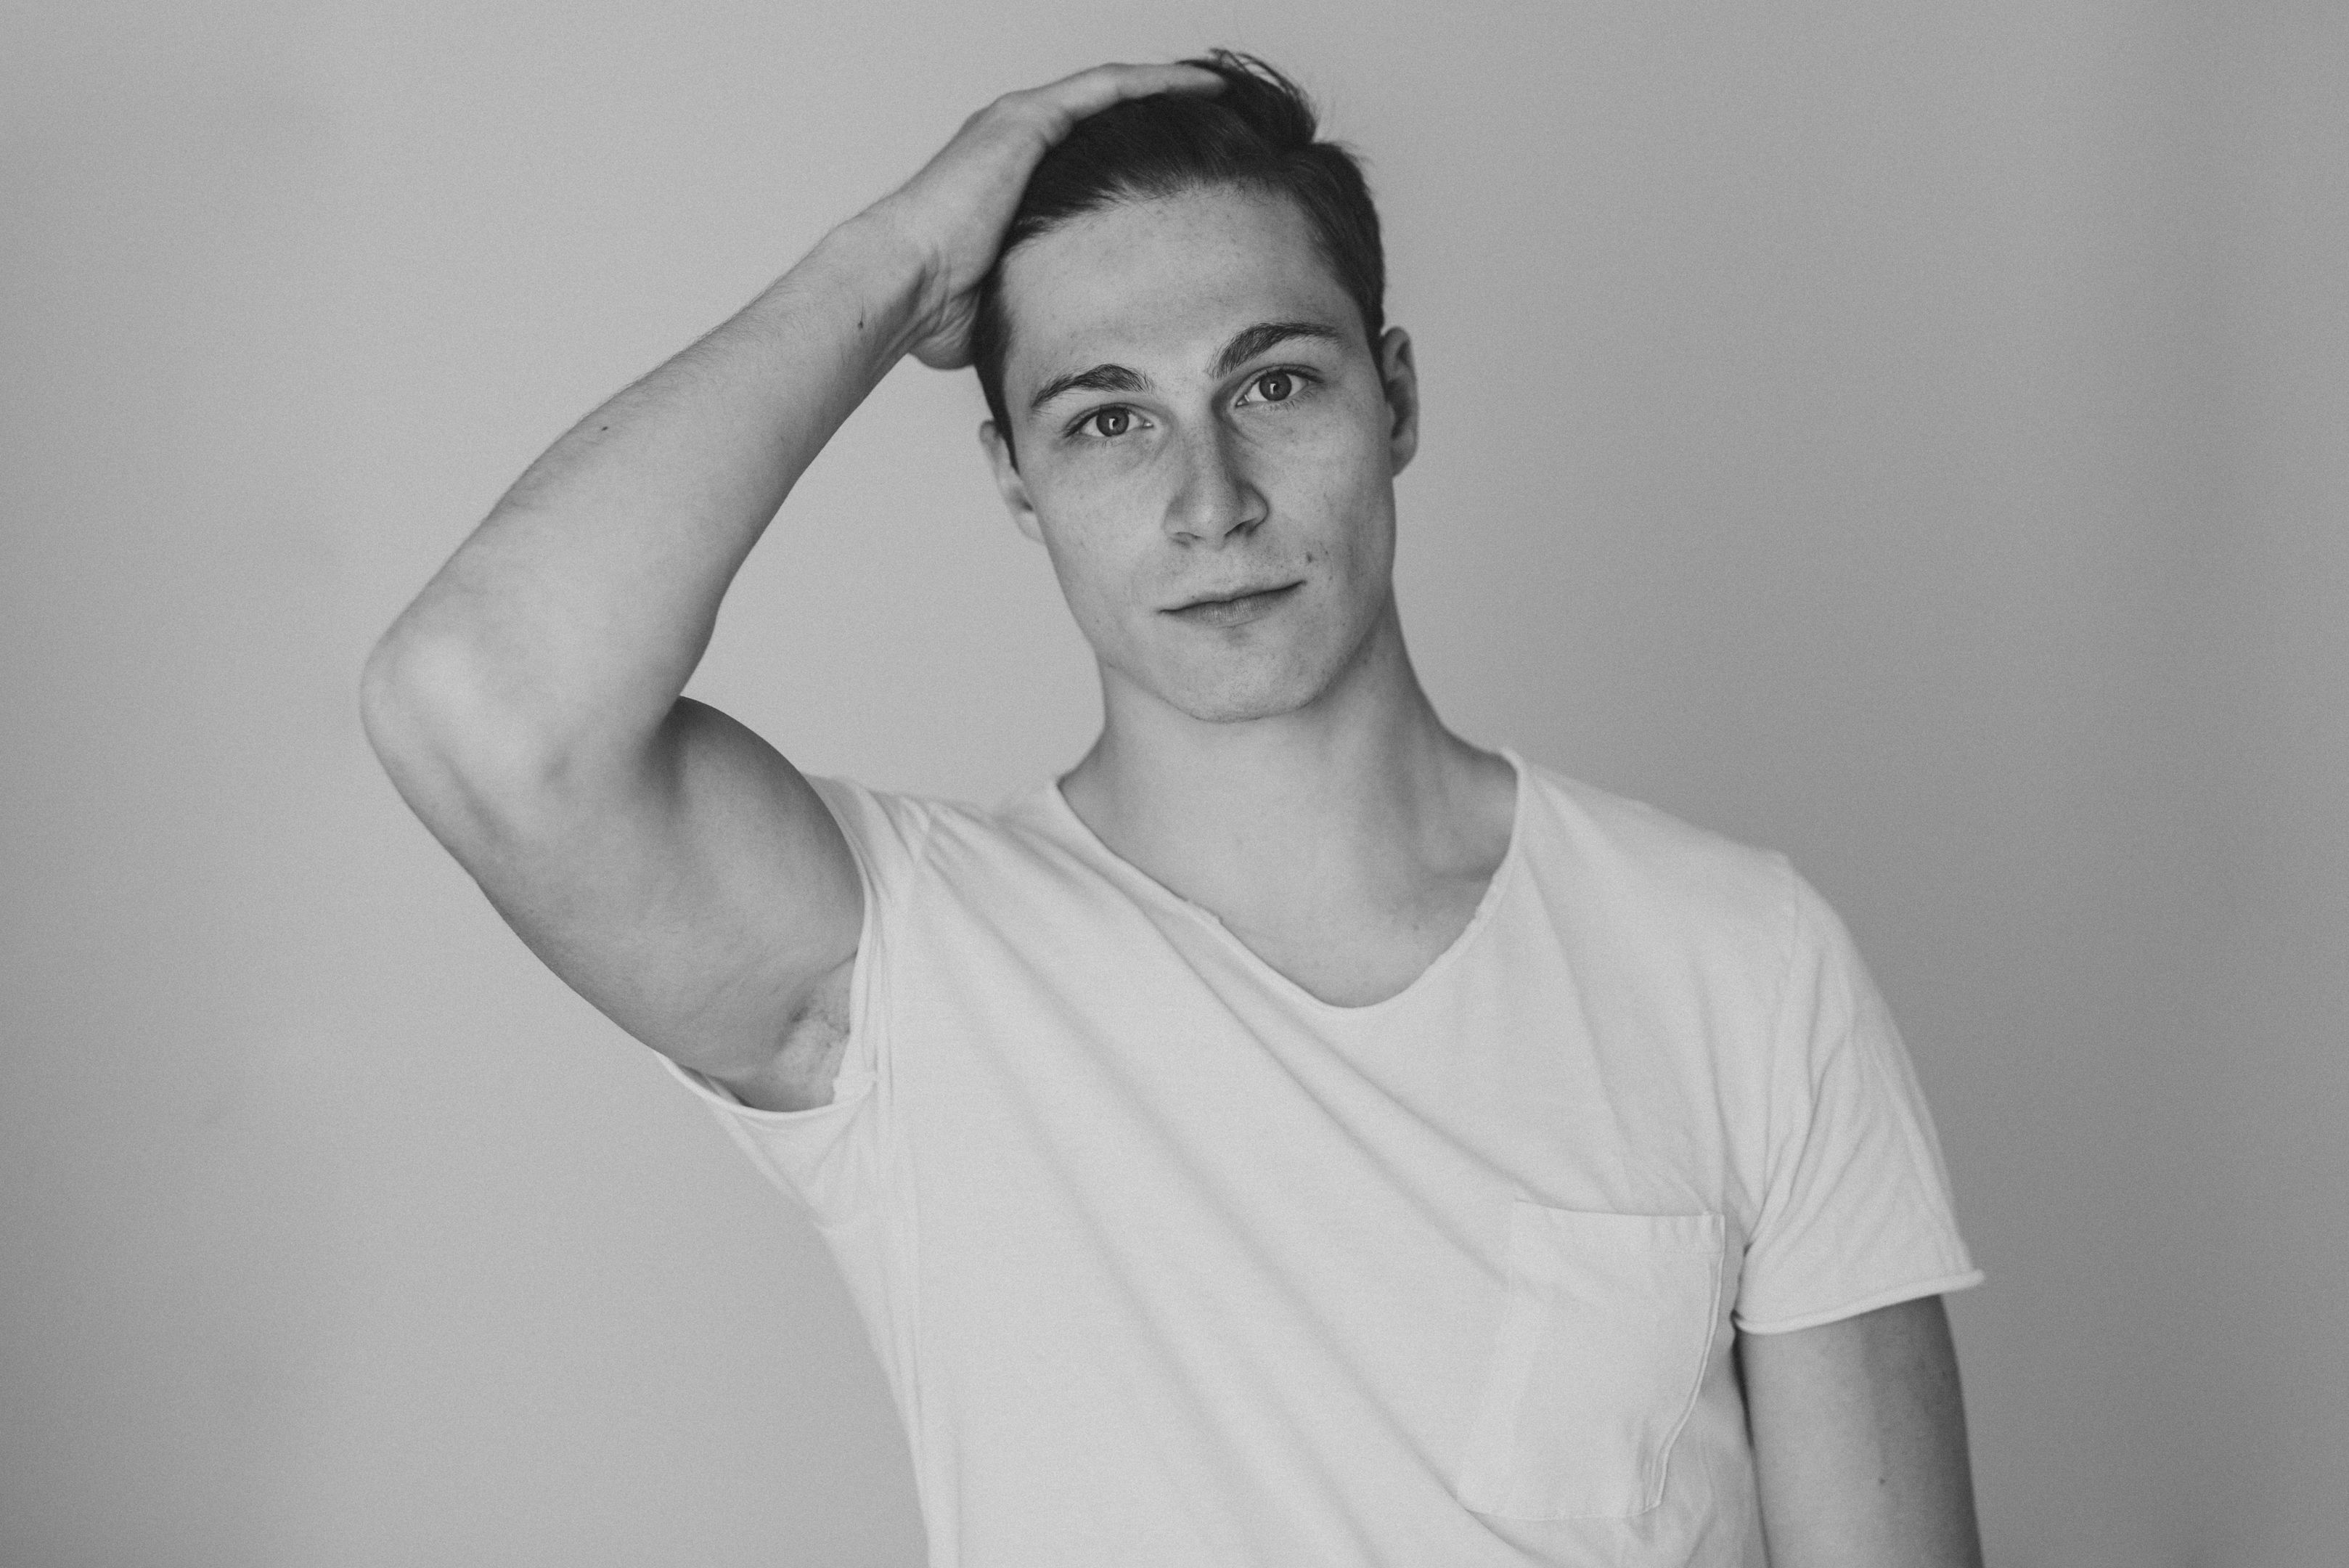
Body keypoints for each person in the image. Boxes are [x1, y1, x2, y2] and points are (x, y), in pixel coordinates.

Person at [361, 51, 1987, 1568]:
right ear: (1015, 481)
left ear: (1395, 401)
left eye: (1272, 386)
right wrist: (896, 262)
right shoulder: (906, 973)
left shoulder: (1733, 958)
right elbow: (480, 706)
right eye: (1109, 420)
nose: (1211, 502)